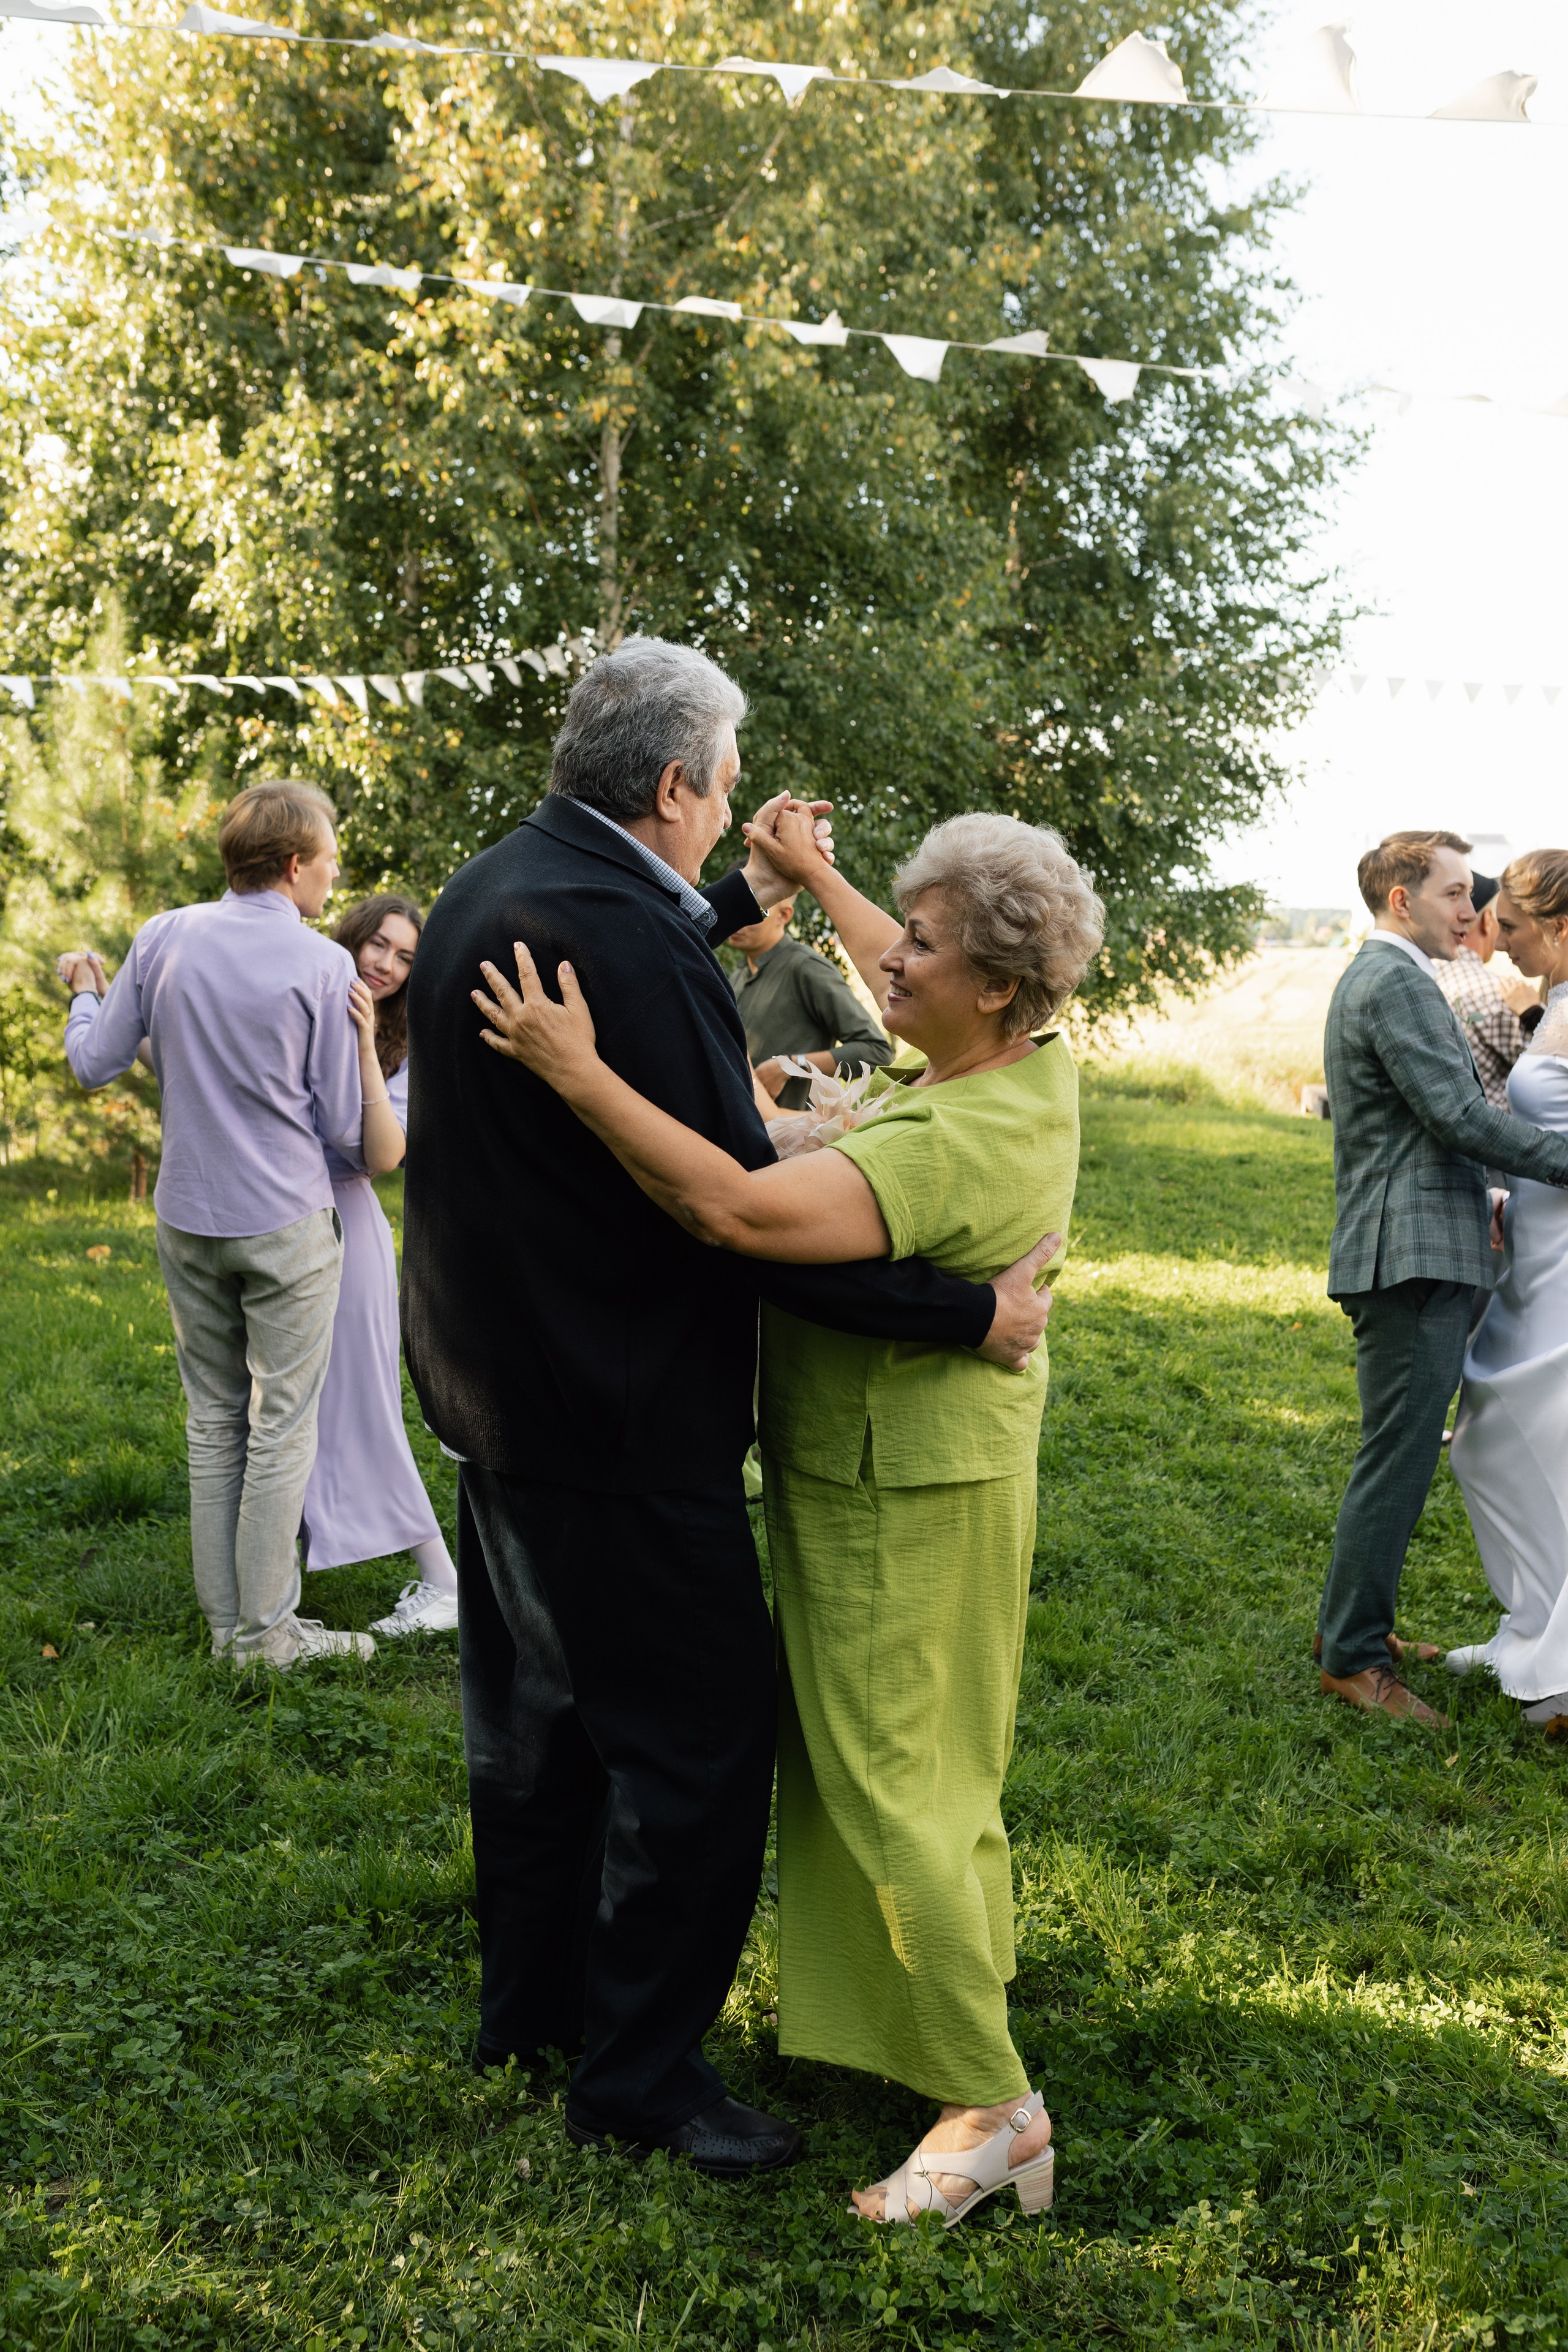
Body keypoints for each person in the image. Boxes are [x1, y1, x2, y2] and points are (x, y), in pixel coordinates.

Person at [399, 635, 1056, 2180]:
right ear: (678, 782)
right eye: (730, 777)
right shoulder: (624, 941)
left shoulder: (499, 883)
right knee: (693, 1748)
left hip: (493, 1389)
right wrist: (970, 1309)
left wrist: (789, 878)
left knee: (538, 1731)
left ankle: (538, 2010)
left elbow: (685, 984)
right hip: (622, 1409)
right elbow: (738, 1210)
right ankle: (639, 2075)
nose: (736, 804)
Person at [58, 781, 399, 1668]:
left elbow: (93, 1062)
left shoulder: (163, 934)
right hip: (285, 1220)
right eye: (328, 861)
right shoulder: (325, 966)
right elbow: (341, 1133)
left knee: (214, 1421)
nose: (333, 878)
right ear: (294, 866)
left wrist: (89, 994)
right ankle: (266, 1634)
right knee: (282, 1425)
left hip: (188, 1217)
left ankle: (228, 1629)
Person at [1316, 829, 1568, 1726]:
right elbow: (1460, 1117)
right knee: (1398, 1458)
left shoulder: (1397, 977)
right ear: (1401, 901)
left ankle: (1357, 1630)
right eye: (1458, 894)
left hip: (1424, 1247)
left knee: (1400, 1452)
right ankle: (1351, 1658)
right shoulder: (1389, 980)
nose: (1474, 911)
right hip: (1409, 1254)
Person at [300, 894, 459, 1638]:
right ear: (353, 936)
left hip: (347, 1223)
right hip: (273, 1211)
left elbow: (385, 1154)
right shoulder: (299, 987)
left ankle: (443, 1579)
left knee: (360, 1403)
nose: (385, 966)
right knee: (281, 1404)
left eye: (404, 958)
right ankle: (278, 1568)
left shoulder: (405, 1039)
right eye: (379, 945)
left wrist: (366, 1042)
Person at [1448, 850, 1568, 1732]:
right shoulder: (1554, 1002)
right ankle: (1530, 1630)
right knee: (1485, 1445)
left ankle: (1558, 1666)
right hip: (1533, 1235)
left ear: (1559, 926)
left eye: (1515, 929)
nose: (1503, 945)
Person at [728, 895, 891, 1109]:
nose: (738, 917)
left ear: (784, 915)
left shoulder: (805, 967)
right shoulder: (736, 977)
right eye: (734, 906)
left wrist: (791, 1066)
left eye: (751, 908)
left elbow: (877, 1052)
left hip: (791, 1138)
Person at [1430, 869, 1540, 1116]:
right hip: (1500, 1142)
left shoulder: (1423, 979)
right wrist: (1533, 1012)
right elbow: (1553, 1068)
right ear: (1488, 921)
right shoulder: (1499, 995)